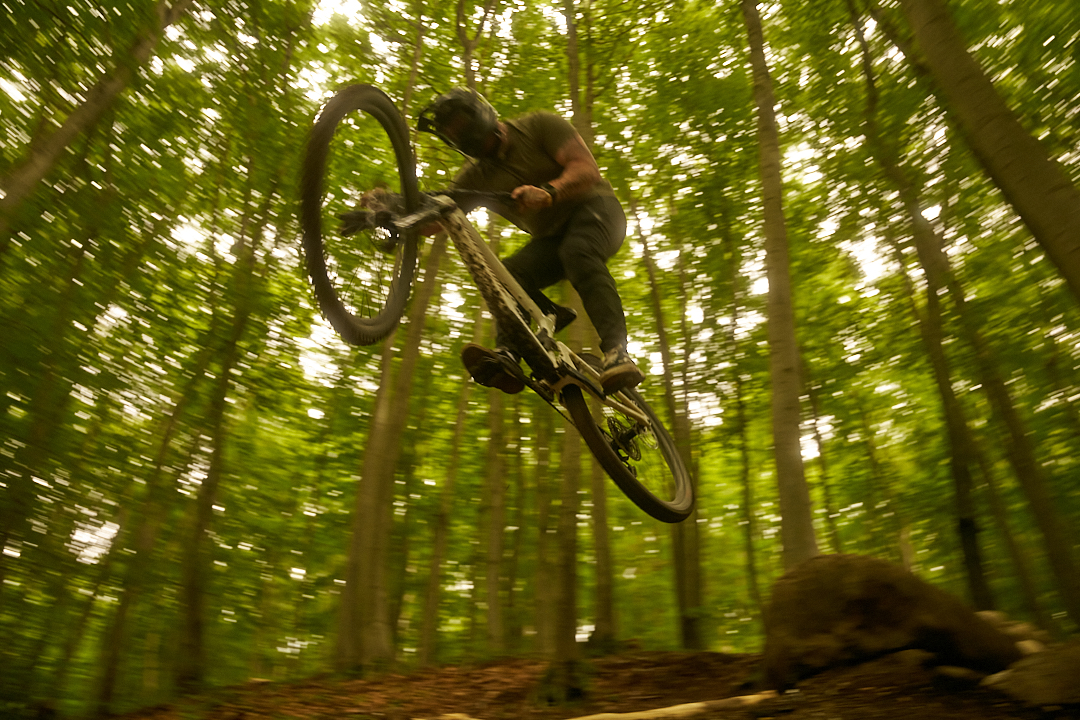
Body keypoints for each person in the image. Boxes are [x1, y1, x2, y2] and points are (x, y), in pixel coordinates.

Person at [416, 87, 643, 395]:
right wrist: (388, 211)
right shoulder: (476, 174)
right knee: (504, 276)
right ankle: (512, 350)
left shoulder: (539, 125)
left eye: (461, 127)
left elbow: (587, 170)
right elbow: (437, 218)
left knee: (577, 251)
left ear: (479, 115)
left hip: (597, 210)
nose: (462, 138)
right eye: (452, 135)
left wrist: (550, 191)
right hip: (552, 238)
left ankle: (617, 352)